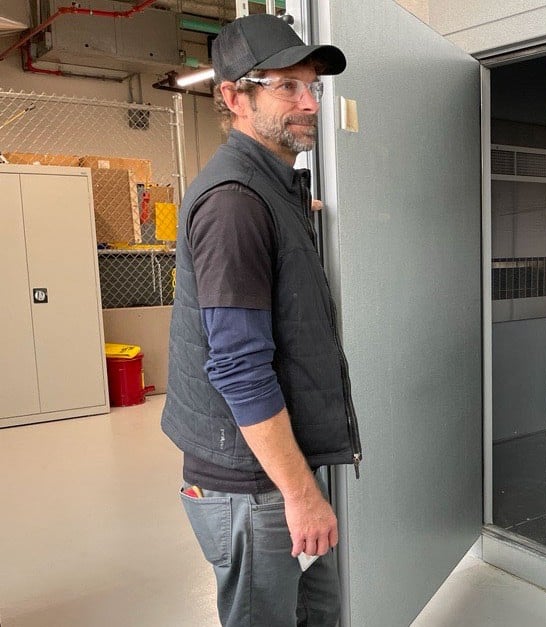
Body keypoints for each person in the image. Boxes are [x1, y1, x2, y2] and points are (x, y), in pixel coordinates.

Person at [161, 13, 362, 627]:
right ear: (233, 97)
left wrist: (302, 210)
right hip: (251, 485)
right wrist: (302, 496)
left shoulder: (270, 187)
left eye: (314, 87)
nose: (309, 102)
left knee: (315, 613)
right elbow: (240, 368)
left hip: (274, 471)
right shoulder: (235, 205)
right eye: (287, 87)